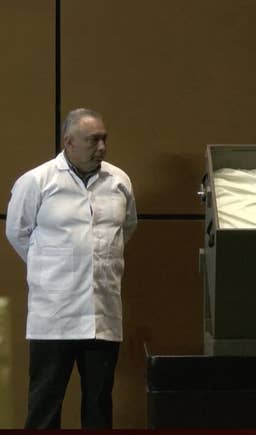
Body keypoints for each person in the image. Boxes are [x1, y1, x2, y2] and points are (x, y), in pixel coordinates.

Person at [5, 108, 137, 429]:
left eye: (104, 139)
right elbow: (17, 232)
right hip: (54, 313)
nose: (102, 147)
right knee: (45, 404)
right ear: (68, 142)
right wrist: (52, 268)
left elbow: (126, 228)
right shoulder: (37, 181)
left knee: (98, 406)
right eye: (93, 140)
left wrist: (93, 260)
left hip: (102, 311)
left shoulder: (119, 181)